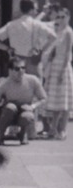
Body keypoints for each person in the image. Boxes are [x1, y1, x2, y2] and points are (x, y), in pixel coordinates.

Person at [0, 0, 56, 77]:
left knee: (16, 87)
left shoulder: (11, 25)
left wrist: (7, 49)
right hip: (33, 61)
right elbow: (53, 37)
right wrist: (41, 50)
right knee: (34, 87)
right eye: (36, 9)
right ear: (31, 11)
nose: (36, 12)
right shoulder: (37, 24)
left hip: (16, 62)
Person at [0, 57, 47, 145]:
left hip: (25, 110)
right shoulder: (3, 84)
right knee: (10, 107)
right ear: (10, 71)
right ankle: (1, 134)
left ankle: (22, 134)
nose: (21, 71)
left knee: (27, 115)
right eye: (17, 68)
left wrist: (32, 106)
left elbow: (44, 98)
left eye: (23, 68)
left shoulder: (33, 80)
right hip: (8, 113)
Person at [41, 7, 73, 140]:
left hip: (63, 67)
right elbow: (51, 48)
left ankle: (62, 130)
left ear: (68, 17)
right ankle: (53, 129)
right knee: (54, 101)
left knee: (64, 101)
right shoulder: (56, 31)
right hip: (54, 66)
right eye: (58, 17)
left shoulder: (68, 32)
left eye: (63, 17)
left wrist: (62, 72)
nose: (60, 19)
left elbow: (67, 54)